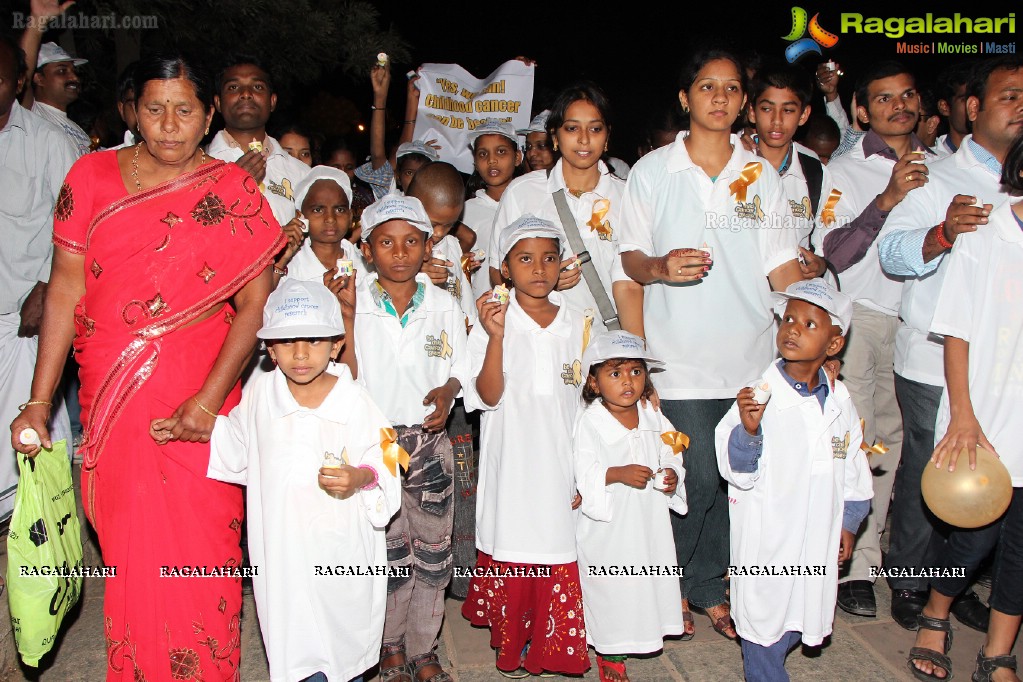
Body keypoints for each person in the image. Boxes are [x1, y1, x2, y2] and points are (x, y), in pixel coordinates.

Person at [10, 53, 285, 681]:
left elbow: (255, 303)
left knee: (203, 556)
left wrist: (209, 402)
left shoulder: (232, 190)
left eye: (184, 109)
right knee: (132, 559)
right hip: (115, 409)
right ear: (131, 112)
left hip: (199, 405)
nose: (168, 124)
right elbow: (64, 289)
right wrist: (38, 399)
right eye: (154, 109)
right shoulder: (91, 176)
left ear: (208, 113)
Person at [618, 48, 801, 640]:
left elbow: (781, 270)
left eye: (730, 88)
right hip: (678, 362)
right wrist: (659, 271)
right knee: (692, 474)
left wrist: (817, 321)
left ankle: (707, 586)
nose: (719, 97)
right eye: (705, 86)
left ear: (742, 101)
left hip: (750, 360)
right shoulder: (652, 173)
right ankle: (663, 584)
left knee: (731, 480)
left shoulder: (761, 177)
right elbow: (629, 263)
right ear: (684, 98)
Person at [878, 56, 1023, 633]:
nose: (1021, 107)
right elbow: (891, 255)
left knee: (997, 483)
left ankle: (955, 583)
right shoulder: (932, 174)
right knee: (930, 475)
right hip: (938, 360)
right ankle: (909, 582)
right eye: (1010, 96)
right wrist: (943, 233)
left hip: (1007, 374)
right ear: (973, 108)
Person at [207, 278, 400, 682]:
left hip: (344, 554)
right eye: (287, 342)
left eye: (313, 341)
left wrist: (361, 477)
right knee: (296, 644)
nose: (300, 354)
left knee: (343, 642)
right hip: (284, 557)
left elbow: (390, 454)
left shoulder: (355, 400)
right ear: (270, 350)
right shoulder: (259, 397)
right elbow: (229, 445)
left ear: (335, 346)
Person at [905, 132, 1023, 682]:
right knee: (974, 532)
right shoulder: (986, 232)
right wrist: (964, 415)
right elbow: (955, 333)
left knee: (1021, 543)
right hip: (988, 414)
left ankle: (999, 650)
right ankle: (936, 613)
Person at [819, 61, 933, 618]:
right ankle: (853, 567)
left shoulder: (943, 169)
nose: (899, 105)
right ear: (861, 109)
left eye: (908, 95)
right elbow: (833, 253)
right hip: (859, 317)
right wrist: (886, 199)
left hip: (918, 322)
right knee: (859, 440)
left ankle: (886, 555)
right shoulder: (843, 170)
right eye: (884, 98)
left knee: (898, 443)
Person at [716, 278, 873, 682]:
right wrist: (749, 432)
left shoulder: (840, 401)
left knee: (800, 611)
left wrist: (850, 523)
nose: (792, 329)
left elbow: (853, 466)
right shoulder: (757, 397)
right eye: (788, 319)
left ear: (833, 345)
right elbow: (736, 471)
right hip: (771, 538)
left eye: (808, 324)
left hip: (817, 536)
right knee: (763, 618)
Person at [345, 193, 468, 682]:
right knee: (389, 552)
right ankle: (390, 643)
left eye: (411, 242)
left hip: (428, 444)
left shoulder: (443, 305)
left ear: (427, 247)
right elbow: (345, 373)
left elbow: (462, 365)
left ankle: (424, 644)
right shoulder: (353, 304)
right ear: (368, 249)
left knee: (433, 550)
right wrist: (349, 319)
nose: (400, 252)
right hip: (376, 446)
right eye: (386, 243)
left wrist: (449, 390)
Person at [461, 215, 590, 678]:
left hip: (561, 458)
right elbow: (488, 396)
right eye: (525, 258)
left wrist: (587, 470)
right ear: (505, 268)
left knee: (557, 540)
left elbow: (586, 403)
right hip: (511, 459)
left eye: (549, 258)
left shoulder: (579, 324)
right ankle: (514, 637)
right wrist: (496, 337)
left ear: (562, 265)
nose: (539, 268)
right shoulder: (491, 322)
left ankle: (550, 642)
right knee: (514, 536)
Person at [574, 330, 688, 682]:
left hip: (648, 521)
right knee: (612, 588)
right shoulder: (590, 422)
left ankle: (644, 630)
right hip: (611, 526)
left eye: (636, 372)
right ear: (594, 383)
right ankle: (611, 653)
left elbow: (673, 447)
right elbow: (583, 469)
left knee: (645, 581)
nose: (628, 382)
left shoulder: (653, 416)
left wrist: (672, 473)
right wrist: (615, 473)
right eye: (615, 373)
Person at [488, 82, 644, 336]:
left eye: (595, 128)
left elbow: (634, 284)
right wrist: (541, 284)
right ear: (554, 136)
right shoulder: (523, 192)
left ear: (607, 137)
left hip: (607, 349)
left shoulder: (628, 196)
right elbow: (497, 271)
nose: (584, 139)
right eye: (572, 128)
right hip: (541, 341)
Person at [0, 35, 76, 519]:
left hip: (19, 318)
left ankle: (30, 551)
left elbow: (77, 228)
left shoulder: (50, 142)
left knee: (25, 444)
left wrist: (48, 289)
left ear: (19, 82)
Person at [747, 65, 832, 280]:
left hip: (792, 299)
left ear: (803, 115)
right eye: (767, 109)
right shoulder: (732, 162)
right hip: (740, 297)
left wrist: (820, 264)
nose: (777, 120)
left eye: (788, 110)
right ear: (751, 112)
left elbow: (826, 235)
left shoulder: (815, 172)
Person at [208, 54, 310, 231]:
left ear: (272, 101)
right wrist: (233, 185)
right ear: (218, 102)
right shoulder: (198, 166)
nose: (246, 94)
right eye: (233, 87)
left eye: (257, 87)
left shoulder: (302, 174)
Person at [407, 162, 476, 326]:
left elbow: (466, 307)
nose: (439, 233)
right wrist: (415, 269)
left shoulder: (451, 244)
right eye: (433, 223)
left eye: (449, 225)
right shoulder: (400, 246)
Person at [462, 120, 523, 301]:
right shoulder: (464, 212)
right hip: (481, 312)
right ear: (475, 162)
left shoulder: (530, 204)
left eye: (501, 151)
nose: (492, 160)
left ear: (518, 157)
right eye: (483, 154)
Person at [355, 59, 427, 200]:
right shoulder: (391, 199)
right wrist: (380, 97)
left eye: (423, 172)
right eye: (409, 173)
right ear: (397, 177)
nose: (416, 179)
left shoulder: (439, 209)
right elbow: (377, 153)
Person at [284, 165, 368, 282]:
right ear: (300, 216)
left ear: (350, 217)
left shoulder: (366, 266)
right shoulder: (287, 266)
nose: (330, 219)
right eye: (318, 210)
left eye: (339, 210)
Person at [21, 39, 91, 157]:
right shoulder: (31, 114)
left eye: (74, 71)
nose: (74, 77)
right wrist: (36, 26)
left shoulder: (79, 131)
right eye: (62, 71)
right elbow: (23, 74)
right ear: (39, 78)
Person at [934, 62, 973, 156]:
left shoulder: (1005, 157)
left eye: (981, 98)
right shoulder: (927, 161)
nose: (974, 106)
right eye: (966, 99)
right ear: (944, 107)